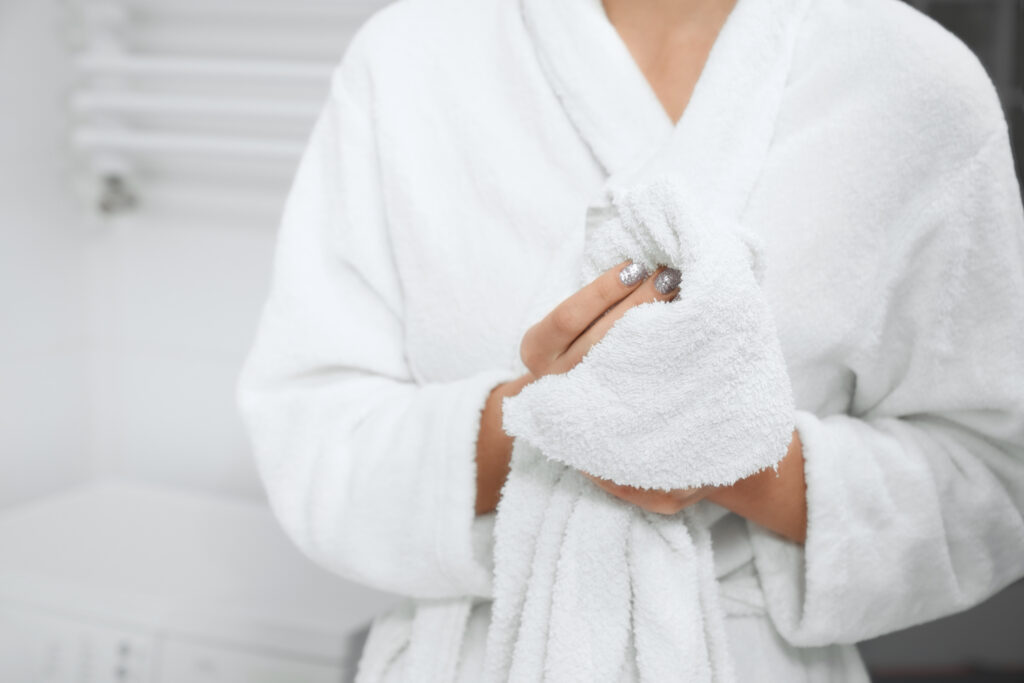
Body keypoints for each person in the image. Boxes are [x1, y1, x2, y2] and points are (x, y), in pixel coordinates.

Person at [236, 0, 1024, 679]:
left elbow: (996, 478)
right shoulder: (410, 56)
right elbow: (311, 435)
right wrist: (548, 415)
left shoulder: (913, 82)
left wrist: (732, 453)